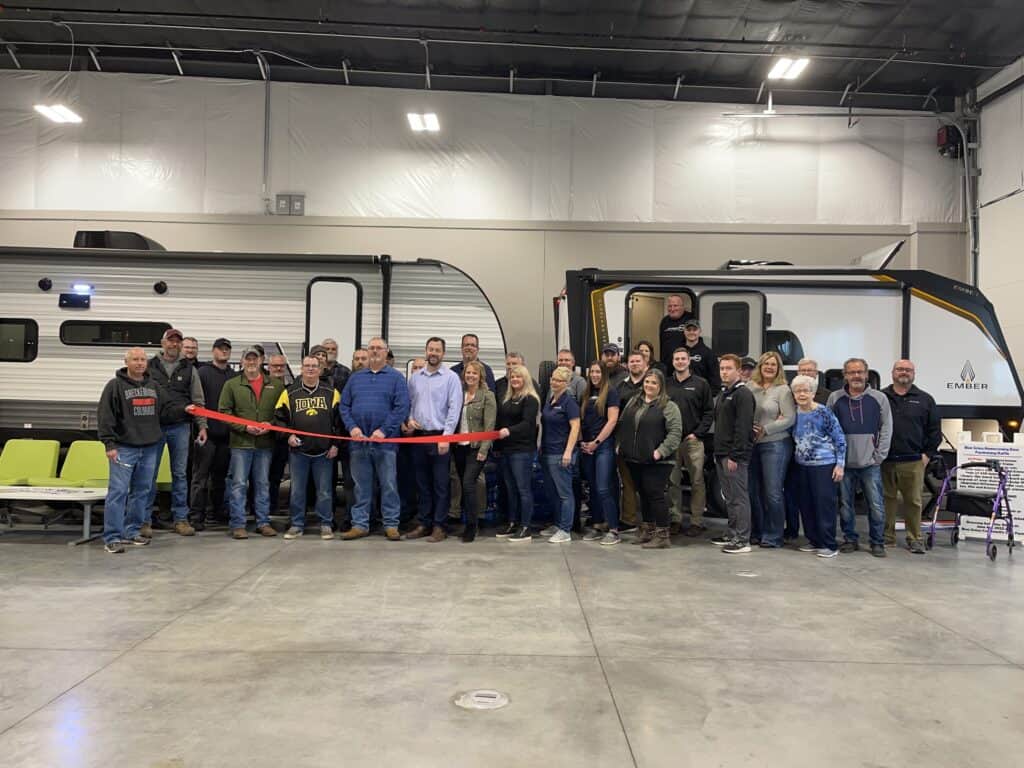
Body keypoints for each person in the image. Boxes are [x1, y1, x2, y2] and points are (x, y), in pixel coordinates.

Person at [97, 347, 170, 553]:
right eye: (135, 359)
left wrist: (189, 409)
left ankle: (132, 531)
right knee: (118, 492)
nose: (139, 363)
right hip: (124, 448)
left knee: (142, 492)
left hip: (149, 448)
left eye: (142, 360)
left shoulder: (154, 386)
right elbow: (105, 416)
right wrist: (109, 444)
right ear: (126, 362)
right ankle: (112, 536)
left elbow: (167, 409)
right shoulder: (115, 386)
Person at [339, 337, 409, 540]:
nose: (375, 351)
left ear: (386, 352)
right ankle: (360, 524)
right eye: (372, 348)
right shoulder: (355, 378)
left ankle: (391, 524)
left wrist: (384, 431)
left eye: (379, 348)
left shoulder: (396, 378)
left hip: (385, 444)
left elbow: (401, 407)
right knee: (361, 486)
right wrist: (352, 428)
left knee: (388, 485)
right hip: (359, 443)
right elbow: (344, 406)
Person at [827, 358, 892, 557]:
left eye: (860, 372)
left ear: (866, 374)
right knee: (845, 505)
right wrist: (836, 458)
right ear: (845, 375)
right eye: (851, 372)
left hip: (870, 463)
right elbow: (828, 428)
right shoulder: (834, 398)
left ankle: (877, 542)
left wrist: (879, 456)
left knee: (876, 505)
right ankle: (850, 539)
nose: (856, 376)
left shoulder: (879, 398)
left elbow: (886, 428)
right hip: (843, 464)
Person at [145, 328, 207, 537]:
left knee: (180, 474)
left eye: (177, 342)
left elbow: (198, 400)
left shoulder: (189, 369)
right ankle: (144, 521)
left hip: (180, 427)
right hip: (153, 427)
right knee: (149, 474)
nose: (174, 345)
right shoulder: (149, 366)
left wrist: (202, 426)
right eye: (170, 341)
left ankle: (180, 519)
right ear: (163, 343)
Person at [218, 347, 285, 539]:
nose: (251, 362)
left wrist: (270, 424)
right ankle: (238, 524)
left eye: (255, 359)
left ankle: (263, 522)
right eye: (248, 359)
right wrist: (244, 427)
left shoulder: (276, 385)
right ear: (242, 361)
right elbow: (223, 412)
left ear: (262, 360)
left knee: (263, 484)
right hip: (241, 443)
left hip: (265, 444)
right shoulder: (231, 385)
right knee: (238, 484)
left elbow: (281, 414)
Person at [274, 355, 340, 541]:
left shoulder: (331, 392)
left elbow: (339, 422)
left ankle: (326, 524)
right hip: (298, 452)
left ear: (320, 369)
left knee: (325, 491)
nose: (310, 369)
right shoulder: (290, 393)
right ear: (301, 369)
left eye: (314, 366)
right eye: (307, 366)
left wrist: (335, 444)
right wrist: (288, 436)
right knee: (297, 490)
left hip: (324, 452)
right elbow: (278, 418)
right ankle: (296, 524)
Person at [404, 337, 463, 542]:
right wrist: (410, 420)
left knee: (440, 484)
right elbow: (410, 403)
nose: (434, 353)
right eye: (431, 349)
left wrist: (446, 437)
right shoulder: (415, 378)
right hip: (419, 438)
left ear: (443, 354)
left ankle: (440, 525)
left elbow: (454, 409)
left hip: (440, 437)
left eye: (438, 350)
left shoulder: (451, 378)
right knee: (422, 483)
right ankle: (424, 523)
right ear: (426, 350)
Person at [616, 369, 682, 549]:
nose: (649, 386)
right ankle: (648, 530)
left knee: (656, 495)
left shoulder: (668, 406)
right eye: (647, 382)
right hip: (635, 458)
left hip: (658, 461)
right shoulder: (634, 401)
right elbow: (622, 423)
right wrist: (621, 445)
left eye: (654, 383)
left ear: (661, 386)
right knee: (643, 495)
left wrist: (660, 451)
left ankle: (662, 535)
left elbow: (675, 433)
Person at [882, 359, 941, 555]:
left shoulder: (925, 399)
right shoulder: (881, 397)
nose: (903, 372)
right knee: (886, 499)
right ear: (892, 373)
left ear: (914, 374)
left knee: (914, 501)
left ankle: (915, 538)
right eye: (900, 369)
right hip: (885, 460)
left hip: (913, 460)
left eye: (908, 369)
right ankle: (886, 537)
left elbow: (934, 431)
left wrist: (926, 455)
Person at [790, 375, 846, 558]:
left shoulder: (823, 412)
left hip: (824, 465)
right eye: (798, 391)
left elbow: (839, 438)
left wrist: (840, 464)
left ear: (813, 393)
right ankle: (813, 540)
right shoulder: (793, 413)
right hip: (802, 465)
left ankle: (829, 544)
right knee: (806, 504)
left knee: (824, 505)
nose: (802, 394)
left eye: (806, 390)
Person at [748, 351, 796, 548]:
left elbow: (789, 418)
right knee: (753, 492)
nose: (769, 367)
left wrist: (766, 429)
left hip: (775, 444)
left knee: (772, 492)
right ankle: (756, 532)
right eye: (766, 364)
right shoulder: (750, 387)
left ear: (778, 369)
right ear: (760, 366)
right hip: (752, 445)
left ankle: (773, 535)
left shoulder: (783, 390)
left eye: (773, 365)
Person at [666, 347, 714, 537]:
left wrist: (698, 433)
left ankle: (696, 521)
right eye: (676, 358)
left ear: (689, 361)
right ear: (673, 362)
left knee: (697, 481)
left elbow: (709, 412)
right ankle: (675, 519)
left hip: (693, 440)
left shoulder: (701, 384)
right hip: (671, 441)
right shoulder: (666, 384)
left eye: (683, 358)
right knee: (672, 481)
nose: (680, 361)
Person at [711, 354, 756, 554]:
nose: (724, 372)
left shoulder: (743, 394)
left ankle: (742, 539)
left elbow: (743, 428)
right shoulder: (724, 393)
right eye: (722, 368)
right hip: (721, 453)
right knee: (729, 497)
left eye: (729, 368)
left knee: (739, 497)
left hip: (734, 456)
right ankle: (731, 532)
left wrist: (735, 456)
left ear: (739, 371)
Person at [189, 337, 234, 530]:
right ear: (213, 351)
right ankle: (196, 516)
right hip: (206, 434)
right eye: (221, 349)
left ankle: (216, 513)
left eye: (227, 349)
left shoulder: (233, 376)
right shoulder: (202, 372)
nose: (224, 352)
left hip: (226, 435)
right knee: (200, 477)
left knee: (220, 478)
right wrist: (202, 426)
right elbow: (198, 402)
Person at [452, 361, 497, 543]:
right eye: (468, 373)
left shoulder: (487, 396)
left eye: (474, 373)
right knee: (463, 484)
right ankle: (466, 520)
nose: (470, 376)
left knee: (469, 484)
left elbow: (490, 425)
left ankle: (472, 525)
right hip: (458, 447)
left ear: (480, 376)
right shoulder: (458, 395)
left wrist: (484, 449)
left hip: (476, 448)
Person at [495, 364, 540, 543]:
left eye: (518, 377)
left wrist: (509, 431)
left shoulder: (530, 399)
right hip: (507, 450)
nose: (515, 380)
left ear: (525, 379)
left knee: (523, 489)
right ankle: (513, 522)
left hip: (522, 451)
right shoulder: (508, 399)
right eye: (512, 377)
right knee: (510, 489)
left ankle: (526, 526)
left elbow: (528, 424)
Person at [579, 361, 622, 546]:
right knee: (593, 487)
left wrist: (596, 443)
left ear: (604, 374)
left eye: (598, 372)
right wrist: (583, 442)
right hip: (587, 447)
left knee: (604, 487)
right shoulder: (586, 394)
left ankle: (613, 529)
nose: (595, 375)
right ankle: (597, 525)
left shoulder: (611, 392)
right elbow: (580, 421)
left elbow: (612, 421)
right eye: (592, 372)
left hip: (603, 445)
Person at [539, 367, 580, 544]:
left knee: (564, 493)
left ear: (567, 383)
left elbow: (575, 427)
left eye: (558, 380)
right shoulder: (551, 399)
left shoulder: (569, 402)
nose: (554, 382)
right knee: (553, 492)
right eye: (553, 379)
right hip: (547, 452)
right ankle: (557, 524)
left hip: (560, 453)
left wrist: (568, 451)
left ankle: (565, 529)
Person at [616, 350, 648, 529]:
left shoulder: (652, 383)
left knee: (646, 482)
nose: (635, 364)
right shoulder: (621, 386)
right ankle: (629, 520)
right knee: (627, 481)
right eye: (632, 361)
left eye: (638, 361)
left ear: (645, 363)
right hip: (625, 440)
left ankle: (649, 521)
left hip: (647, 440)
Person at [266, 353, 291, 515]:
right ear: (268, 367)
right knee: (263, 477)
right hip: (265, 438)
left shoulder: (291, 388)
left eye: (282, 365)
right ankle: (262, 509)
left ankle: (273, 507)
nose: (279, 368)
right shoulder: (262, 385)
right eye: (275, 366)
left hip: (283, 439)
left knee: (276, 476)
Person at [658, 294, 695, 370]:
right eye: (670, 306)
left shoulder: (691, 318)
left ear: (682, 306)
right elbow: (662, 344)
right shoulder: (664, 321)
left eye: (675, 306)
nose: (672, 309)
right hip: (667, 366)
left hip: (685, 365)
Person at [681, 320, 720, 390]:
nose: (691, 332)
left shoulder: (709, 353)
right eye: (688, 330)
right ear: (684, 331)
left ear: (699, 331)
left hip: (701, 395)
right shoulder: (678, 352)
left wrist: (708, 396)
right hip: (682, 394)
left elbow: (715, 379)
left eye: (694, 330)